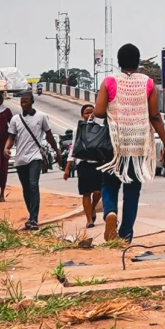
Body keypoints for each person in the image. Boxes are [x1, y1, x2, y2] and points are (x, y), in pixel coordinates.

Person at [98, 44, 165, 244]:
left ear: (119, 61)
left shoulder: (109, 82)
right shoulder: (148, 84)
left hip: (114, 144)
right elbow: (155, 115)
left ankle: (110, 213)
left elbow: (97, 112)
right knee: (132, 190)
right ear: (138, 61)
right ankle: (125, 235)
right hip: (138, 145)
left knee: (109, 185)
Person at [5, 92, 60, 230]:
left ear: (32, 101)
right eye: (22, 102)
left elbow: (48, 135)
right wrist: (6, 148)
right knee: (26, 188)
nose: (23, 104)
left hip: (35, 156)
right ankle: (32, 216)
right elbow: (11, 137)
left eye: (26, 101)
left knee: (33, 185)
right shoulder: (15, 119)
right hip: (20, 158)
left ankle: (34, 218)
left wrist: (57, 150)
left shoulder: (41, 117)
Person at [65, 102, 114, 238]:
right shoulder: (78, 129)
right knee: (86, 192)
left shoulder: (100, 128)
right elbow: (73, 149)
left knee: (98, 192)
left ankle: (92, 208)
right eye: (86, 112)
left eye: (92, 112)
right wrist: (68, 167)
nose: (89, 115)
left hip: (97, 163)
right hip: (83, 164)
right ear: (82, 115)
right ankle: (89, 219)